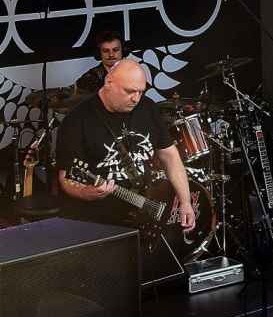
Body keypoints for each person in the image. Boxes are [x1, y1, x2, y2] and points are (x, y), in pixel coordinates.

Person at [57, 59, 195, 232]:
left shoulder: (148, 108)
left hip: (146, 211)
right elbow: (66, 178)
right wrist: (87, 192)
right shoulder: (77, 119)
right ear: (109, 83)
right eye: (129, 91)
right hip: (100, 221)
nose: (136, 98)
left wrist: (185, 201)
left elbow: (170, 156)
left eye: (141, 91)